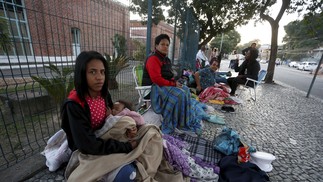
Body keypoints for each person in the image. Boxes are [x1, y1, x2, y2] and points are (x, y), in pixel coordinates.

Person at [61, 51, 138, 181]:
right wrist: (126, 147)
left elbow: (111, 120)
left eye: (102, 72)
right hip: (87, 148)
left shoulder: (103, 94)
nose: (99, 77)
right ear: (82, 74)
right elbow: (87, 145)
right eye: (92, 72)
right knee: (126, 174)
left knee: (151, 133)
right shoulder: (74, 105)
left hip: (104, 139)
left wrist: (130, 128)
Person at [142, 33, 202, 135]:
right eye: (162, 44)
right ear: (156, 46)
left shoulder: (166, 59)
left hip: (163, 85)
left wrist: (175, 82)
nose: (165, 47)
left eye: (167, 45)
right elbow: (156, 79)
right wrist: (173, 84)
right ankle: (174, 121)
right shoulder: (153, 58)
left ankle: (183, 120)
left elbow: (169, 75)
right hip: (154, 88)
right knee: (179, 94)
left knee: (186, 90)